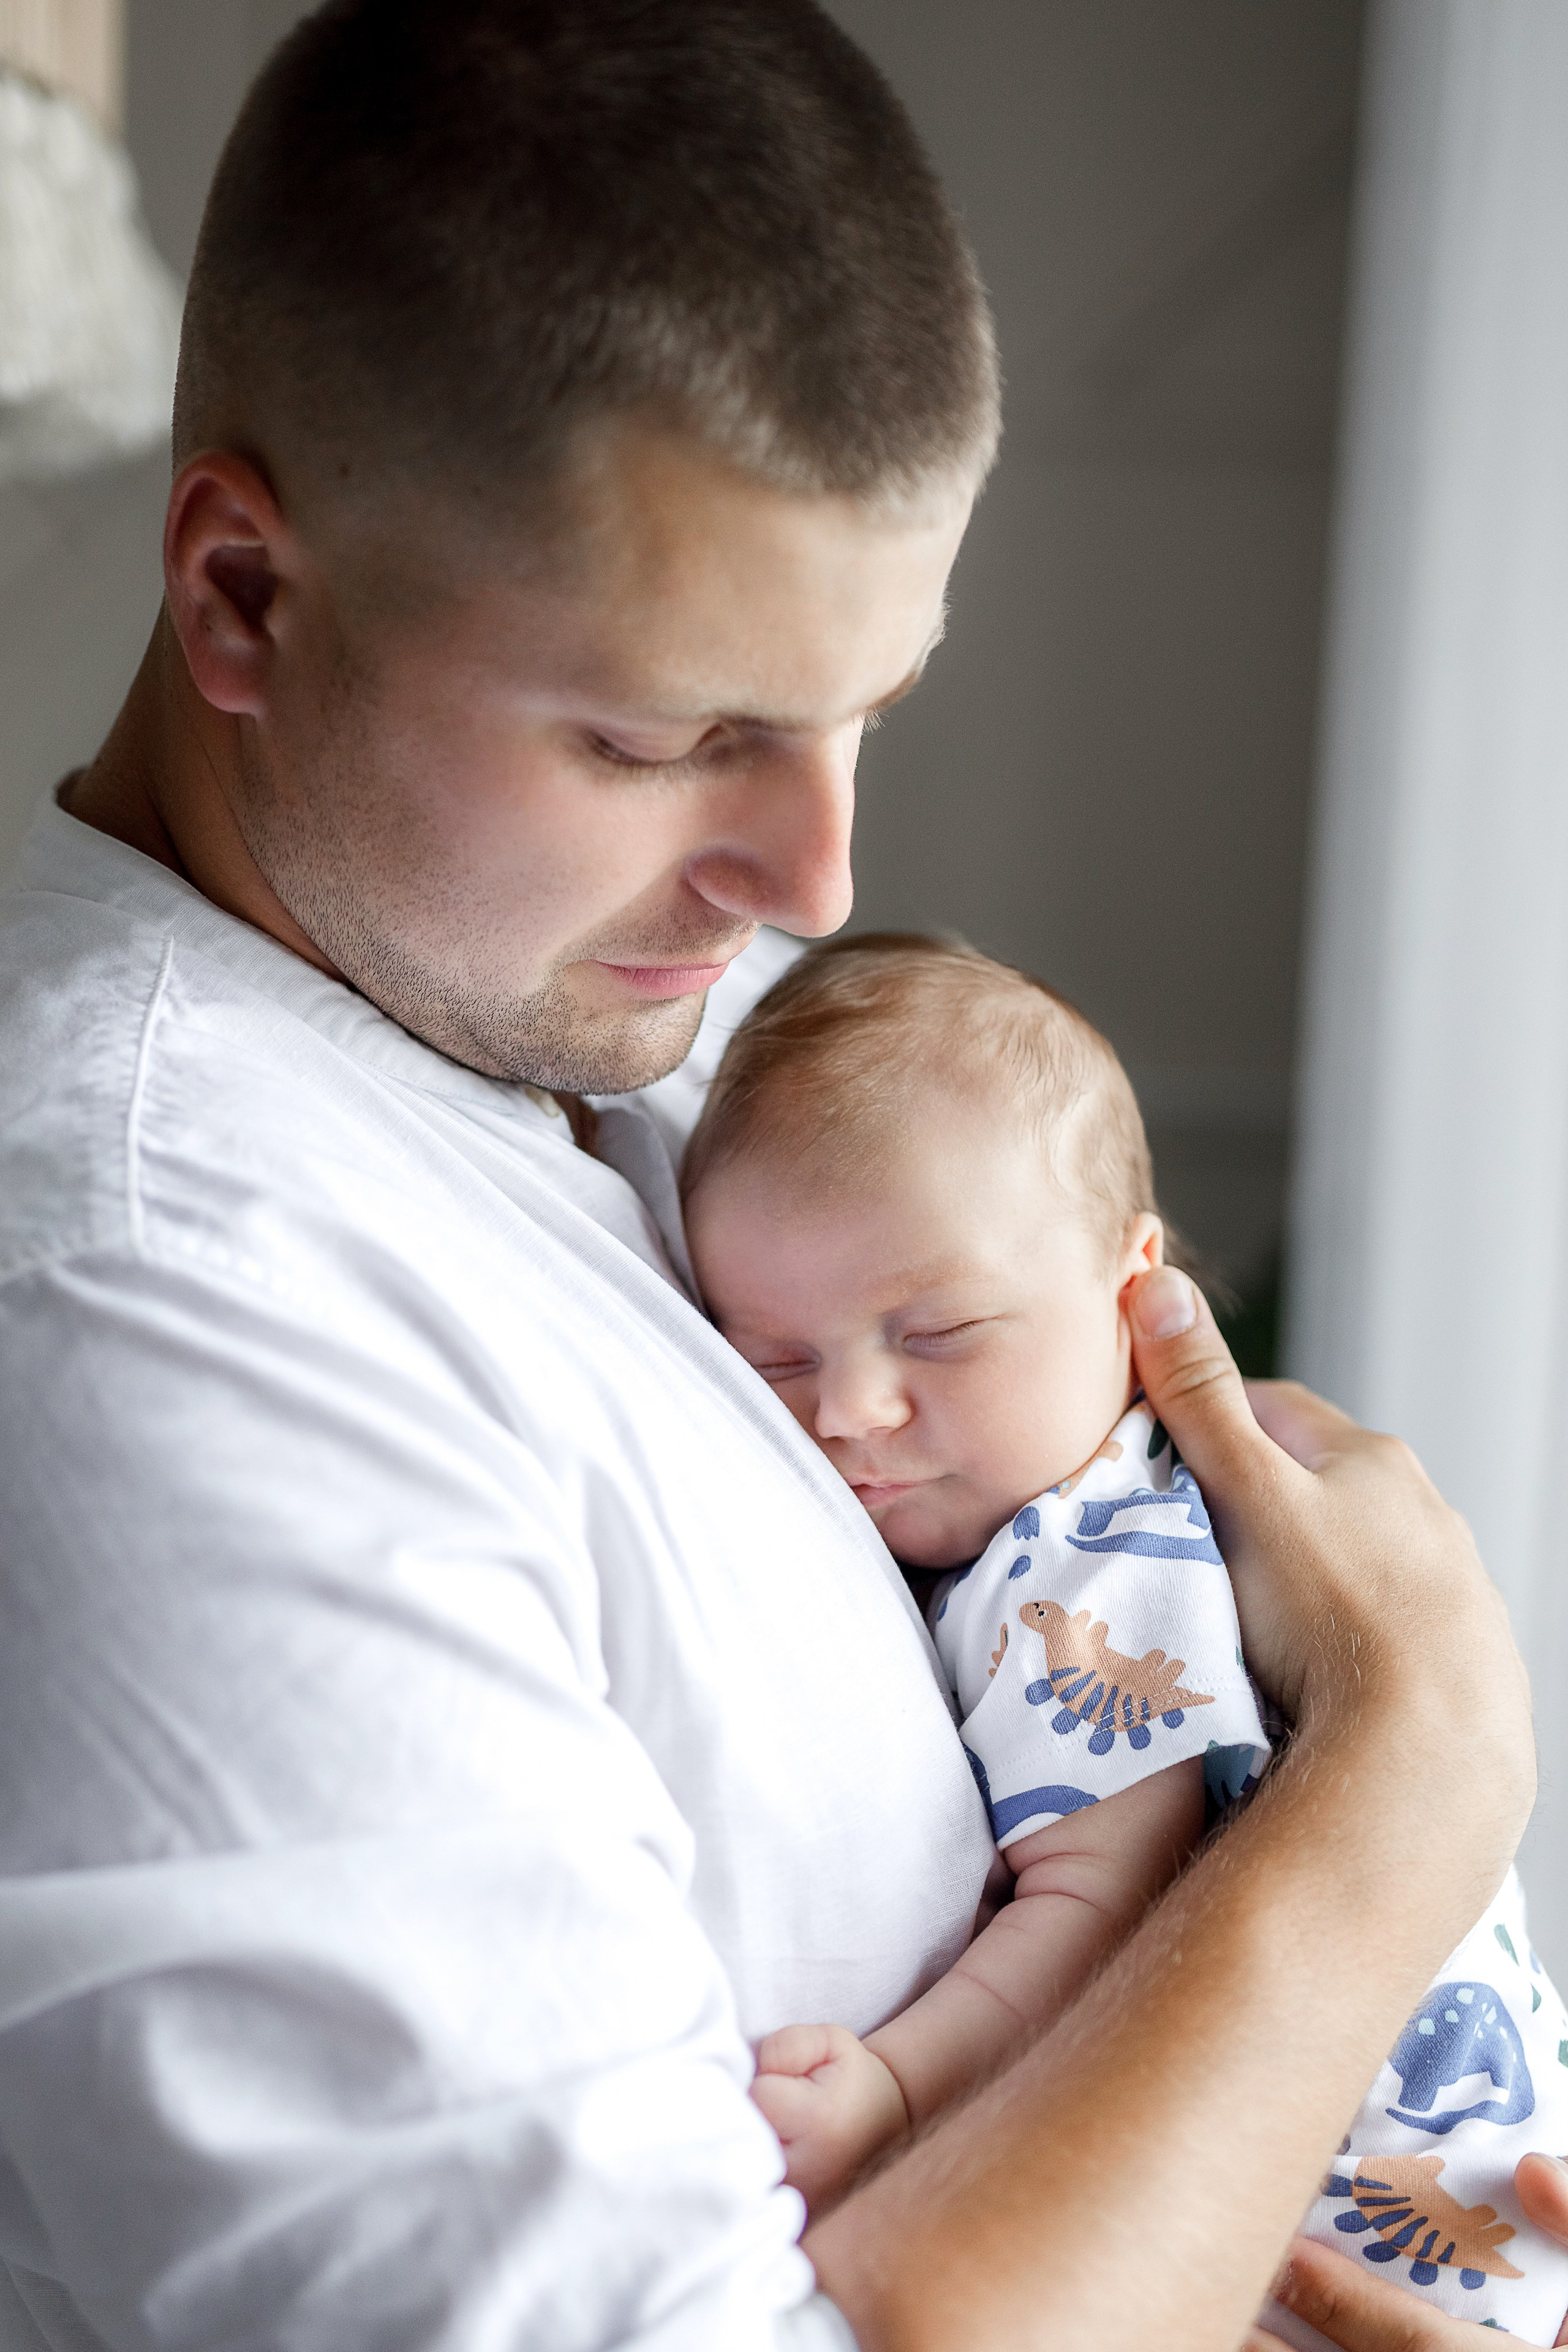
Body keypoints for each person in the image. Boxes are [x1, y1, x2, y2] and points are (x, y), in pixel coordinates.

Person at [0, 4, 1560, 2348]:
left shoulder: (643, 1027)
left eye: (860, 717)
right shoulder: (148, 1283)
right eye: (666, 738)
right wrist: (1403, 1791)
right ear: (242, 596)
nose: (816, 879)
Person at [682, 933, 1568, 2346]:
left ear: (1131, 1288)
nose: (847, 1408)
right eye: (771, 1352)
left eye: (941, 1330)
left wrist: (897, 2089)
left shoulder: (1096, 1554)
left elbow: (1101, 1917)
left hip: (1389, 2235)